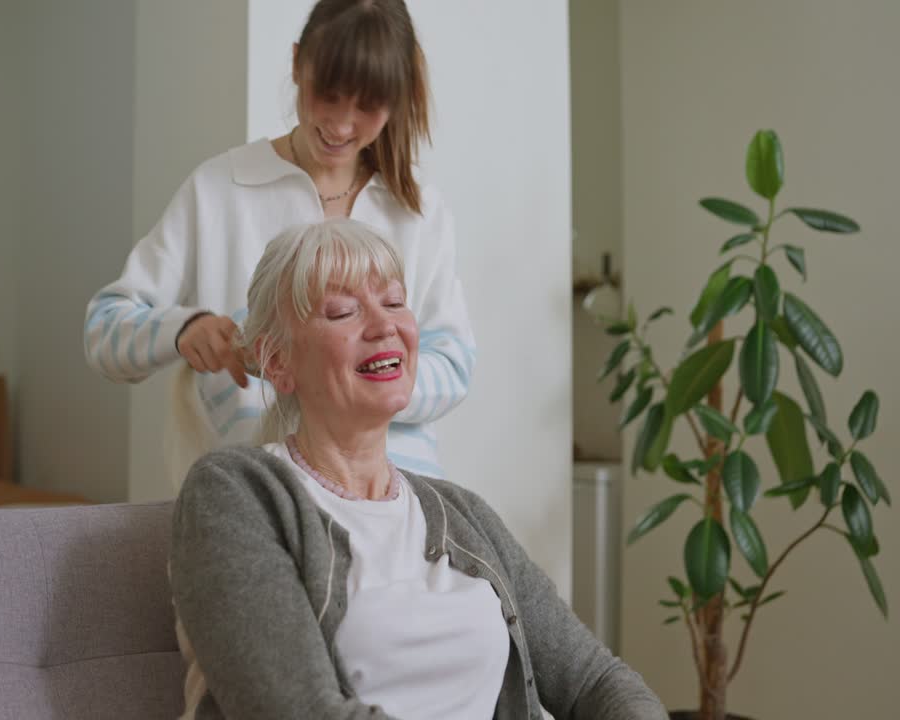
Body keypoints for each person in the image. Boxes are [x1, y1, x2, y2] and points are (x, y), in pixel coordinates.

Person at [169, 219, 667, 720]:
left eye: (393, 302)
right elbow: (298, 711)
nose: (385, 326)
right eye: (343, 311)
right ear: (278, 363)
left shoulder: (463, 514)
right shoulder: (237, 494)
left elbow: (595, 680)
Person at [83, 0, 474, 485]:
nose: (342, 124)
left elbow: (454, 366)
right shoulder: (219, 189)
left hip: (401, 490)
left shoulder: (417, 210)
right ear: (296, 65)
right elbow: (104, 331)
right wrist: (184, 330)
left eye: (368, 106)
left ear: (396, 101)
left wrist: (352, 380)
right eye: (328, 94)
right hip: (265, 495)